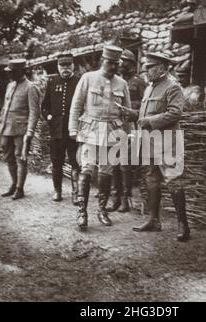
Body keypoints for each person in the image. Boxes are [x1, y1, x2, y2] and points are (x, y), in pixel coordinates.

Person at [120, 52, 190, 242]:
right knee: (151, 180)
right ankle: (153, 220)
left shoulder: (173, 86)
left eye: (149, 67)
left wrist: (148, 121)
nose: (146, 71)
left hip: (167, 140)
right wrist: (132, 114)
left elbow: (175, 113)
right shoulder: (151, 87)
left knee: (173, 179)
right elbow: (144, 114)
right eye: (146, 67)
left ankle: (183, 225)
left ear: (161, 67)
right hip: (150, 141)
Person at [69, 45, 131, 230]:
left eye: (116, 64)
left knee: (106, 173)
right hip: (91, 131)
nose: (113, 67)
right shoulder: (88, 78)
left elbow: (126, 113)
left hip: (112, 132)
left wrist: (127, 134)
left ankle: (102, 210)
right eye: (110, 63)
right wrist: (73, 129)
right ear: (103, 61)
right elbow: (76, 104)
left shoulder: (122, 84)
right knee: (86, 170)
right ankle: (82, 212)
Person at [107, 49, 146, 213]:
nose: (122, 65)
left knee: (125, 164)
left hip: (130, 127)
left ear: (132, 63)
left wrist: (133, 111)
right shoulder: (116, 82)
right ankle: (115, 199)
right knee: (113, 163)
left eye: (125, 62)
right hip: (115, 126)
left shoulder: (138, 82)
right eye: (120, 62)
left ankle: (125, 199)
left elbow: (144, 106)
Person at [41, 52, 81, 204]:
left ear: (73, 65)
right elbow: (44, 106)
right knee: (56, 161)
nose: (65, 68)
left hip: (74, 131)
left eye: (68, 65)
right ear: (58, 67)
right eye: (62, 65)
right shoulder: (52, 82)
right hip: (56, 131)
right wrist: (48, 116)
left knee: (75, 162)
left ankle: (76, 193)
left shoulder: (79, 82)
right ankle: (57, 191)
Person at [0, 59, 40, 200]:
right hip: (6, 128)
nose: (9, 75)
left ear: (20, 71)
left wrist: (29, 132)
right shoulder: (10, 86)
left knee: (20, 158)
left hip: (21, 130)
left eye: (12, 72)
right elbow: (5, 107)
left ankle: (19, 188)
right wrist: (1, 124)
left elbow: (34, 112)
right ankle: (14, 183)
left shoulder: (31, 87)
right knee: (8, 158)